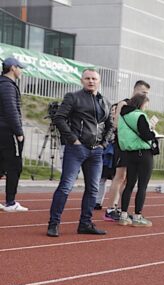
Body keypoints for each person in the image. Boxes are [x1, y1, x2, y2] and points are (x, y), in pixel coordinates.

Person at [47, 69, 113, 237]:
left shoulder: (105, 101)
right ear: (82, 80)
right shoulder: (73, 97)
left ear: (99, 81)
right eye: (87, 78)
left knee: (93, 189)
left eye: (94, 78)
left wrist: (103, 144)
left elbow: (110, 125)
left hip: (96, 152)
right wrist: (73, 140)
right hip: (76, 149)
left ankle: (85, 223)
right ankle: (53, 224)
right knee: (65, 186)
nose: (91, 81)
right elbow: (59, 118)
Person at [103, 80, 150, 221]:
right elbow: (116, 124)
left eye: (147, 93)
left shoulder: (138, 108)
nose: (145, 95)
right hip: (122, 145)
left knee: (128, 179)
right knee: (120, 176)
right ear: (135, 90)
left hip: (134, 146)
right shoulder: (124, 104)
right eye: (143, 92)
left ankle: (119, 208)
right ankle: (111, 209)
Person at [117, 94, 158, 227]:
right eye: (146, 104)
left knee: (129, 184)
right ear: (141, 103)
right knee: (142, 186)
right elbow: (146, 135)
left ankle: (123, 215)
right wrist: (154, 134)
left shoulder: (123, 115)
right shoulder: (139, 115)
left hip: (130, 153)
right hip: (143, 153)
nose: (146, 107)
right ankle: (138, 216)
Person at [0, 57, 28, 212]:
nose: (21, 71)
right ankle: (10, 202)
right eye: (20, 67)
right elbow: (11, 110)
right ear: (13, 68)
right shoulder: (8, 86)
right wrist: (18, 132)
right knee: (14, 166)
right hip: (8, 131)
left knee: (1, 165)